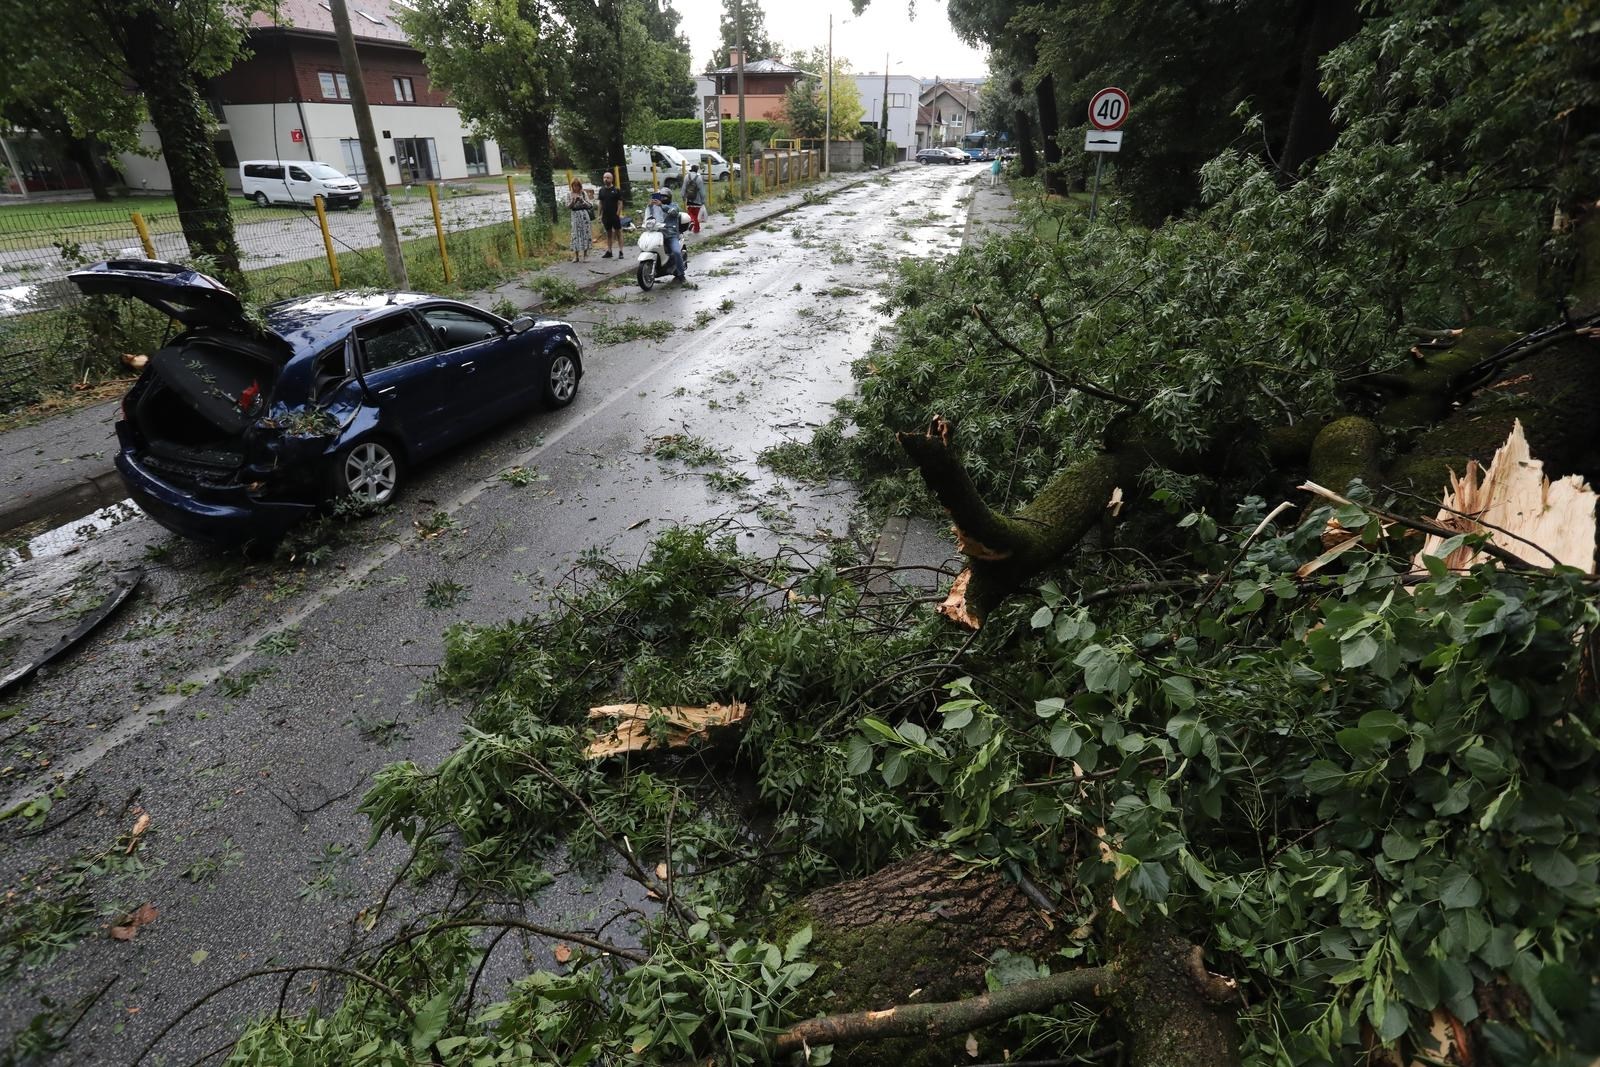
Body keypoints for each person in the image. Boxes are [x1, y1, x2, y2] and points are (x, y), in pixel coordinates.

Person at [646, 189, 686, 281]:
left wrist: (662, 205)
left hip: (670, 234)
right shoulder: (655, 207)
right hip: (657, 233)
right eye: (661, 196)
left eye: (664, 197)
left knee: (676, 251)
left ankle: (681, 274)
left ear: (669, 198)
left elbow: (674, 213)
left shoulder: (674, 206)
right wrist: (650, 206)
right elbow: (649, 216)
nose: (662, 198)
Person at [597, 171, 624, 258]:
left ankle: (621, 251)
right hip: (606, 215)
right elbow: (600, 203)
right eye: (604, 178)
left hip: (614, 215)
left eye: (608, 178)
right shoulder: (601, 190)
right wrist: (599, 215)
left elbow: (620, 203)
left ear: (612, 179)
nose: (606, 179)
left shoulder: (616, 190)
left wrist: (618, 213)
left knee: (618, 232)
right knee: (608, 233)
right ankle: (609, 251)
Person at [567, 178, 594, 262]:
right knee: (575, 234)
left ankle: (585, 255)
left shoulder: (583, 193)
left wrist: (583, 201)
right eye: (574, 186)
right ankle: (576, 256)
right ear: (572, 186)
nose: (576, 188)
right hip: (575, 215)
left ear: (580, 186)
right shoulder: (569, 194)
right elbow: (568, 207)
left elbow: (590, 205)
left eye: (577, 186)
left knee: (585, 234)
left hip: (584, 215)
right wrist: (573, 201)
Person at [683, 164, 705, 234]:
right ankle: (696, 229)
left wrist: (683, 196)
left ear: (691, 169)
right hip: (697, 200)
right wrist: (703, 200)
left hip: (689, 199)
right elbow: (702, 191)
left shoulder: (686, 177)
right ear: (697, 170)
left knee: (690, 212)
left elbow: (684, 188)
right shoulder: (699, 178)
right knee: (696, 215)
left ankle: (691, 220)